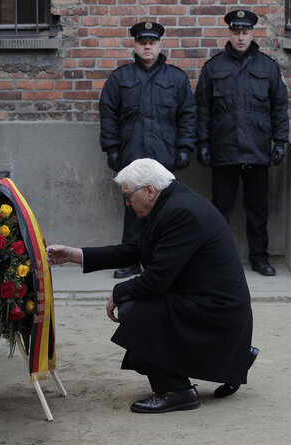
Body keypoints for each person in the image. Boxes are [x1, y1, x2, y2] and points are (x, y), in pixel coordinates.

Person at [46, 158, 258, 413]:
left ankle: (178, 391)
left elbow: (156, 280)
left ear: (149, 190)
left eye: (127, 195)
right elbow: (136, 250)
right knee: (140, 333)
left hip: (217, 313)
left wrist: (118, 294)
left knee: (133, 310)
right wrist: (73, 255)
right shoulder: (171, 203)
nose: (126, 202)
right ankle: (233, 355)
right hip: (207, 304)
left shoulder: (181, 211)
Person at [99, 21, 197, 280]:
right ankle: (131, 260)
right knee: (133, 209)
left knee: (165, 210)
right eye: (143, 43)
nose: (147, 47)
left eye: (152, 43)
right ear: (135, 45)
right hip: (132, 154)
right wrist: (111, 148)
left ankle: (160, 261)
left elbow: (188, 114)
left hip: (164, 155)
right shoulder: (121, 78)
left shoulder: (175, 78)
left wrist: (185, 148)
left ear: (160, 45)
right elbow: (108, 114)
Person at [195, 9, 289, 277]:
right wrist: (202, 143)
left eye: (245, 32)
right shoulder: (213, 68)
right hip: (223, 150)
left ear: (252, 34)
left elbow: (279, 108)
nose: (240, 38)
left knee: (258, 210)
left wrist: (280, 141)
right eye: (236, 32)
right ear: (230, 33)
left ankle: (259, 258)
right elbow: (202, 108)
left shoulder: (268, 67)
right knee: (219, 211)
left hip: (257, 149)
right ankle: (216, 260)